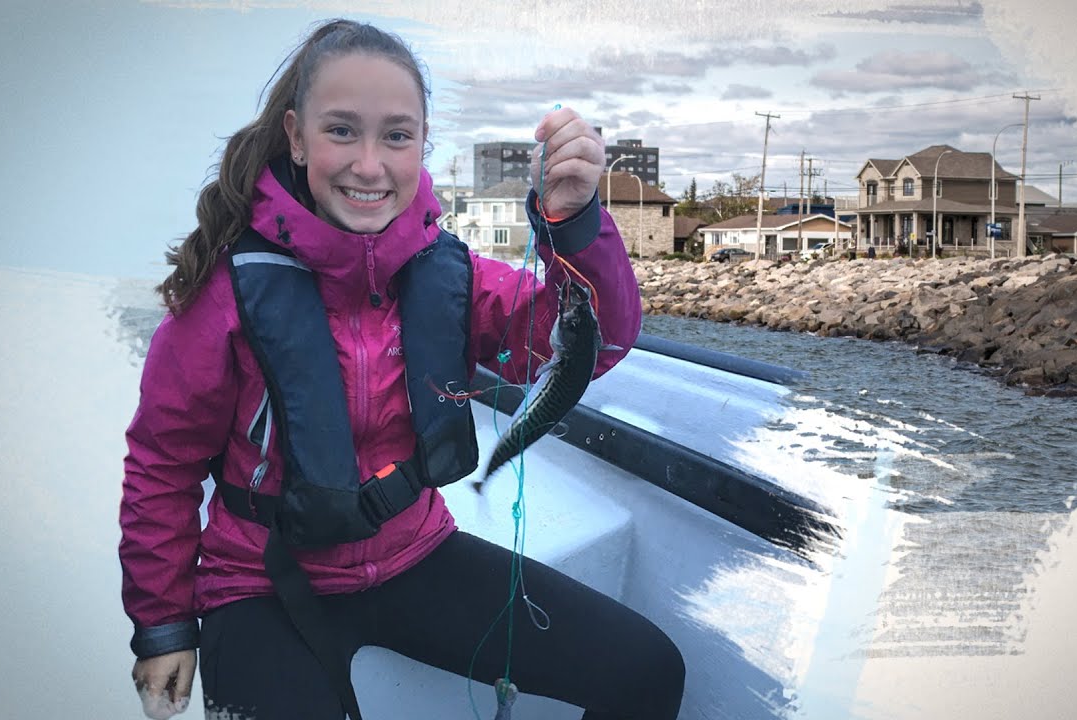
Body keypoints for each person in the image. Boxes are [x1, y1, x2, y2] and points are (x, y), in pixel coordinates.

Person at [120, 18, 685, 720]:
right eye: (341, 131)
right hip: (259, 582)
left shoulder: (449, 272)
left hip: (416, 555)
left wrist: (573, 224)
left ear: (422, 144)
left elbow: (584, 345)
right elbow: (163, 461)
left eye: (395, 135)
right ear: (296, 136)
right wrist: (164, 623)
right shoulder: (227, 289)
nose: (369, 165)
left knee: (647, 670)